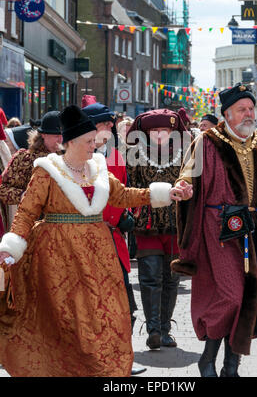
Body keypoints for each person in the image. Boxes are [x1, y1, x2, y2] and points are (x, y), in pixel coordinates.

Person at [0, 104, 187, 377]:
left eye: (93, 141)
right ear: (71, 142)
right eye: (88, 141)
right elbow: (26, 212)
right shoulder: (47, 171)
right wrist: (11, 248)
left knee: (104, 313)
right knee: (65, 316)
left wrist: (166, 193)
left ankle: (98, 367)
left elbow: (123, 196)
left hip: (98, 256)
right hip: (56, 256)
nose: (94, 146)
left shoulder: (98, 168)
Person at [171, 83, 257, 378]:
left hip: (254, 232)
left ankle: (231, 367)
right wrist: (183, 188)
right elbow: (188, 176)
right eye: (242, 109)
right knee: (231, 296)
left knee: (250, 296)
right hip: (217, 231)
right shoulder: (207, 142)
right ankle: (207, 359)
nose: (249, 114)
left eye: (251, 108)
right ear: (226, 114)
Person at [82, 101, 145, 375]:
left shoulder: (117, 157)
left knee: (125, 307)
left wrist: (128, 213)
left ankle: (119, 362)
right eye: (102, 124)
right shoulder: (75, 158)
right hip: (86, 244)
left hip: (114, 241)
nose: (108, 128)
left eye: (109, 124)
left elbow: (125, 191)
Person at [126, 109, 189, 350]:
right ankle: (153, 329)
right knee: (150, 276)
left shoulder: (186, 153)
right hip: (147, 223)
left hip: (175, 224)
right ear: (145, 132)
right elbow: (127, 184)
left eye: (165, 130)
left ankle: (165, 330)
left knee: (171, 278)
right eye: (154, 131)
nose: (160, 135)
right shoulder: (134, 153)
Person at [0, 112, 62, 207]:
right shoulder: (24, 158)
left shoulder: (68, 158)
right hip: (33, 218)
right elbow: (3, 190)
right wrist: (25, 195)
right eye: (56, 136)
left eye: (63, 135)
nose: (60, 140)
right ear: (43, 135)